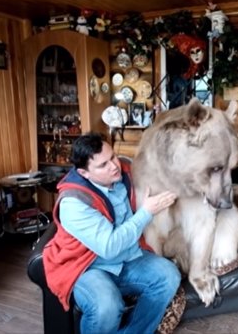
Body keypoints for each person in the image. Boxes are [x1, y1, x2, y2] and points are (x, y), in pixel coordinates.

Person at [42, 132, 181, 334]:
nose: (114, 166)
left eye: (113, 157)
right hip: (87, 266)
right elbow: (109, 246)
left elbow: (158, 169)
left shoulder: (124, 171)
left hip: (127, 257)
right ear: (84, 173)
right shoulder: (74, 202)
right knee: (107, 306)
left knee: (168, 276)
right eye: (103, 165)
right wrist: (146, 212)